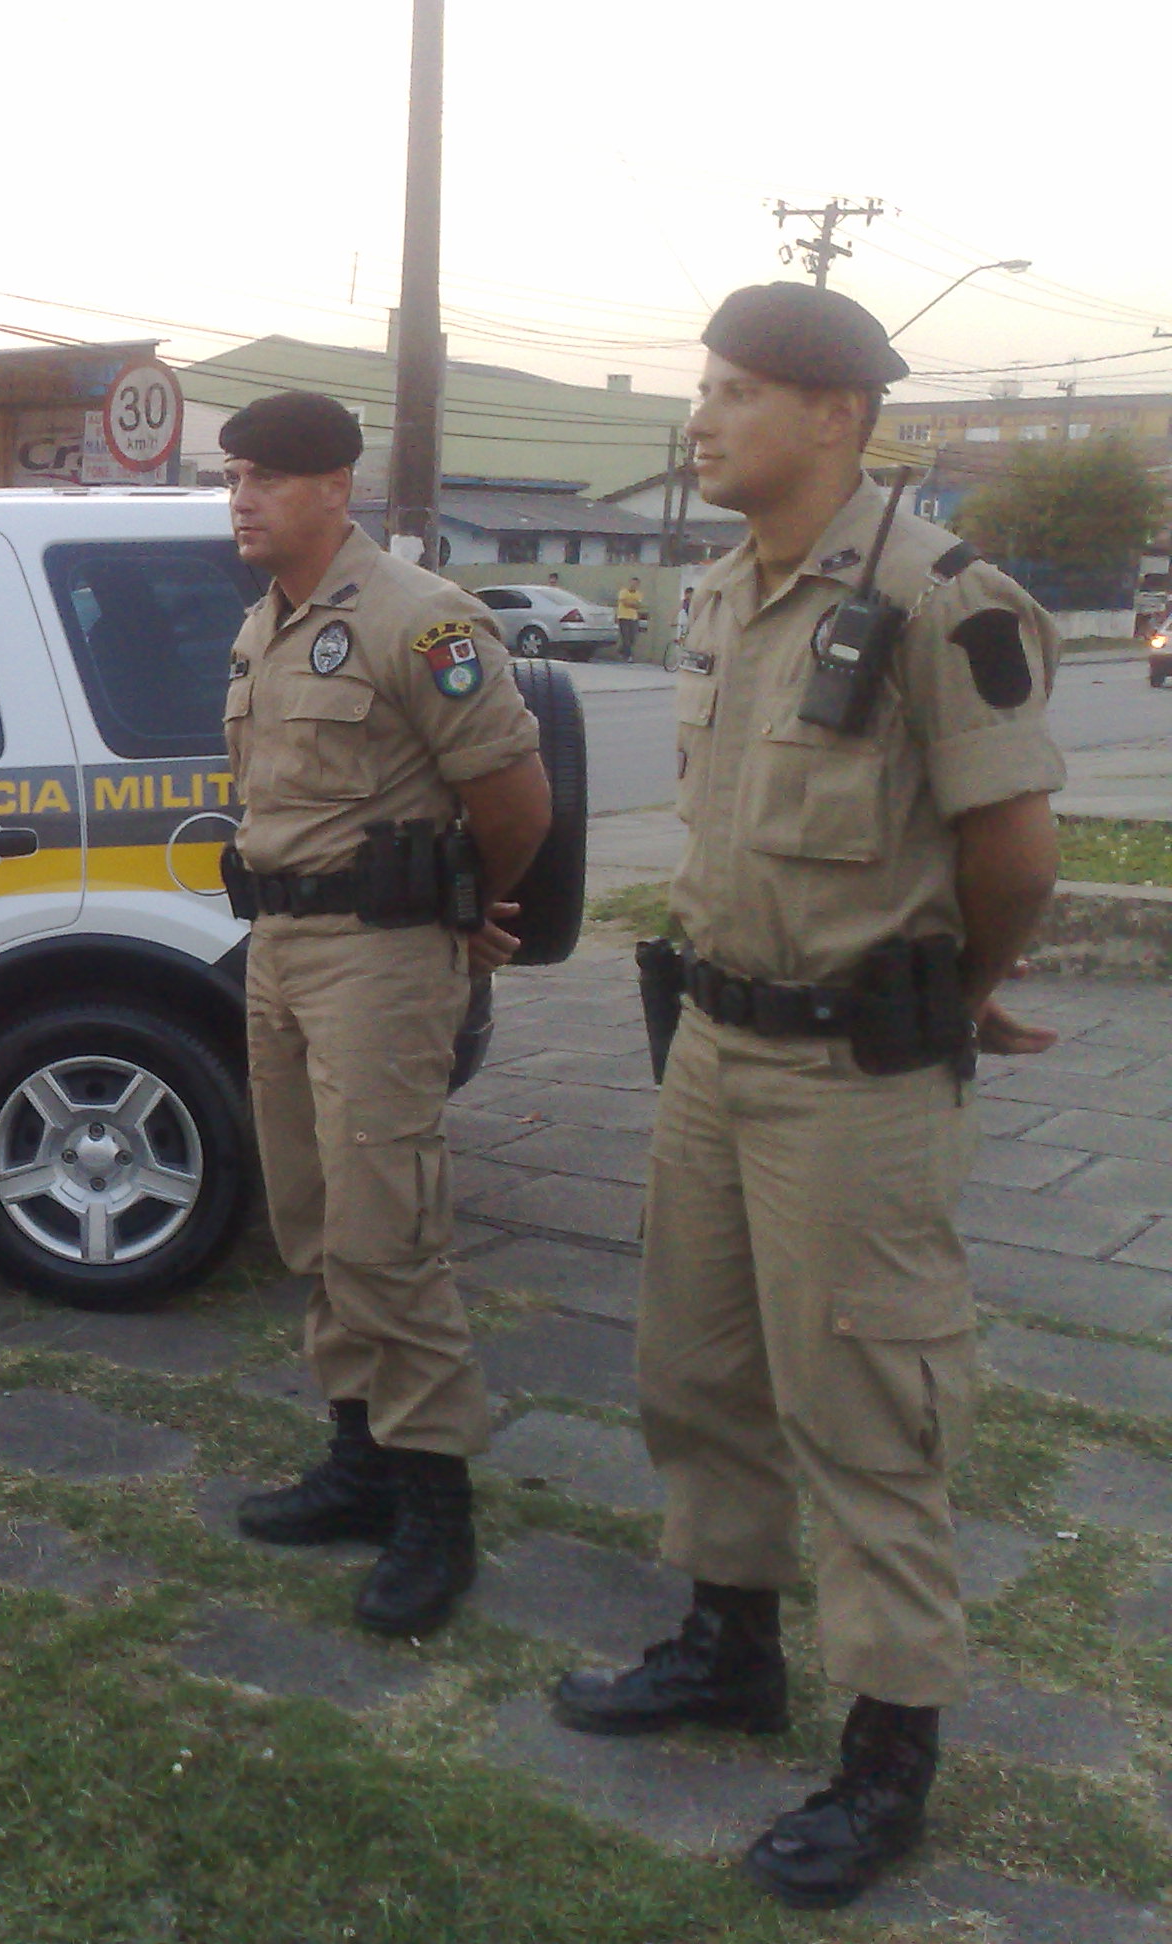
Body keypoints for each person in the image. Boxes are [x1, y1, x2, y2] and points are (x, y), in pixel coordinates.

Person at [548, 283, 1066, 1911]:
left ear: (834, 414)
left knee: (864, 1405)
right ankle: (728, 1641)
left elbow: (1014, 849)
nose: (698, 419)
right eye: (700, 387)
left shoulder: (937, 597)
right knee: (694, 1361)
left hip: (856, 1068)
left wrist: (954, 987)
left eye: (731, 392)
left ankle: (887, 1752)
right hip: (712, 1039)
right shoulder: (718, 592)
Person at [219, 391, 554, 1636]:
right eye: (236, 474)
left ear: (336, 489)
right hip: (281, 945)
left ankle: (433, 1507)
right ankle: (357, 1460)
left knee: (388, 1227)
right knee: (312, 1216)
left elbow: (514, 798)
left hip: (381, 956)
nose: (242, 496)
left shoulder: (422, 621)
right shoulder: (268, 626)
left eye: (265, 476)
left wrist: (466, 905)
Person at [614, 578, 646, 661]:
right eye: (632, 583)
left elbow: (638, 605)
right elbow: (625, 603)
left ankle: (621, 651)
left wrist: (631, 604)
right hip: (623, 617)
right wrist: (632, 604)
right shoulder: (623, 592)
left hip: (633, 618)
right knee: (626, 637)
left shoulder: (639, 594)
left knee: (632, 638)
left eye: (635, 584)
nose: (633, 585)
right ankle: (628, 656)